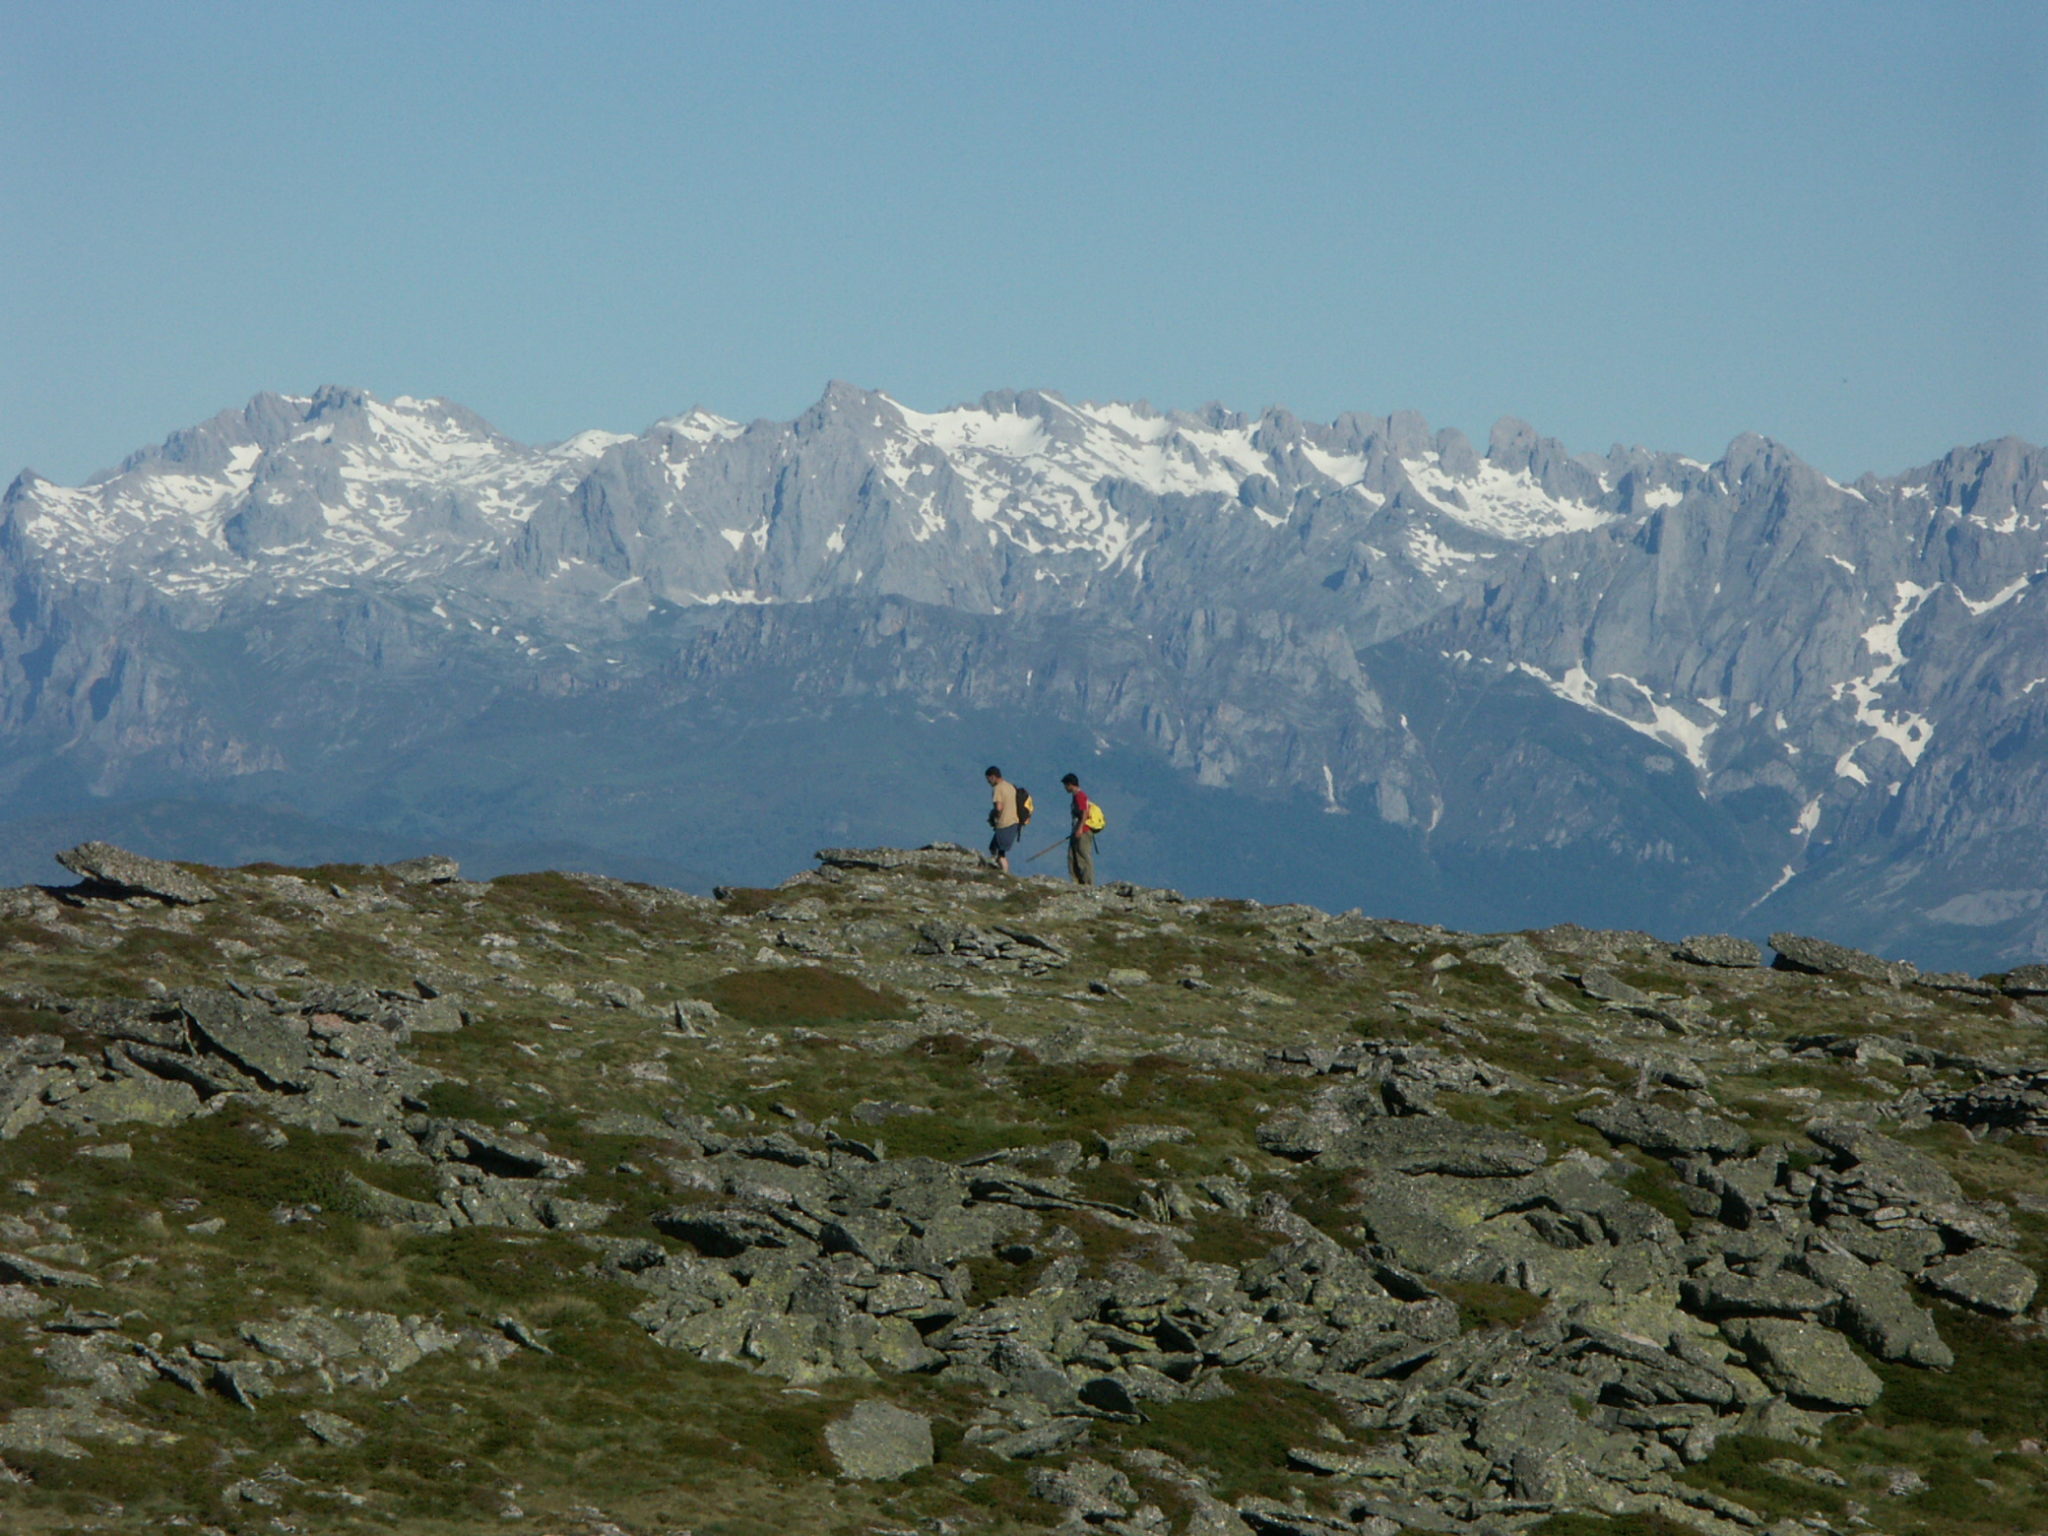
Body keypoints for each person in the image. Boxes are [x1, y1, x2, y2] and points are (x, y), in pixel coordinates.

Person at [985, 765, 1021, 872]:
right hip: (1014, 822)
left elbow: (999, 807)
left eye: (988, 779)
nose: (988, 782)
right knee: (996, 848)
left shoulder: (998, 788)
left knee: (999, 852)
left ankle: (1004, 872)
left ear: (992, 777)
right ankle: (1001, 870)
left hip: (1004, 824)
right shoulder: (1010, 786)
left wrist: (993, 816)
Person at [1061, 772, 1095, 886]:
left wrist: (1080, 829)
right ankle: (1076, 881)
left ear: (1070, 785)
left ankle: (1088, 883)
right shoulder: (1076, 796)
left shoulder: (1080, 796)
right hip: (1077, 830)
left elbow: (1085, 812)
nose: (1065, 788)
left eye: (1066, 785)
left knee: (1083, 856)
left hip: (1083, 831)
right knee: (1072, 856)